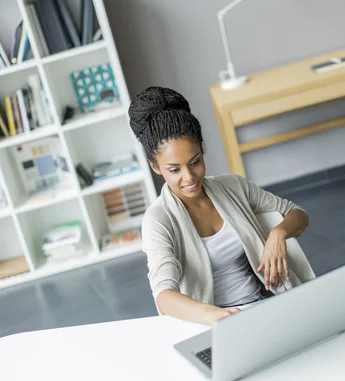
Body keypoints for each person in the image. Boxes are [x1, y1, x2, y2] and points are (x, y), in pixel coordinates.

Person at [128, 86, 309, 325]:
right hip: (212, 323)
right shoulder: (158, 219)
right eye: (174, 170)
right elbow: (164, 296)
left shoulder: (232, 187)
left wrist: (278, 233)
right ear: (155, 167)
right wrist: (214, 315)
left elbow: (298, 214)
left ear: (202, 149)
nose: (189, 177)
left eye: (195, 162)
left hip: (264, 306)